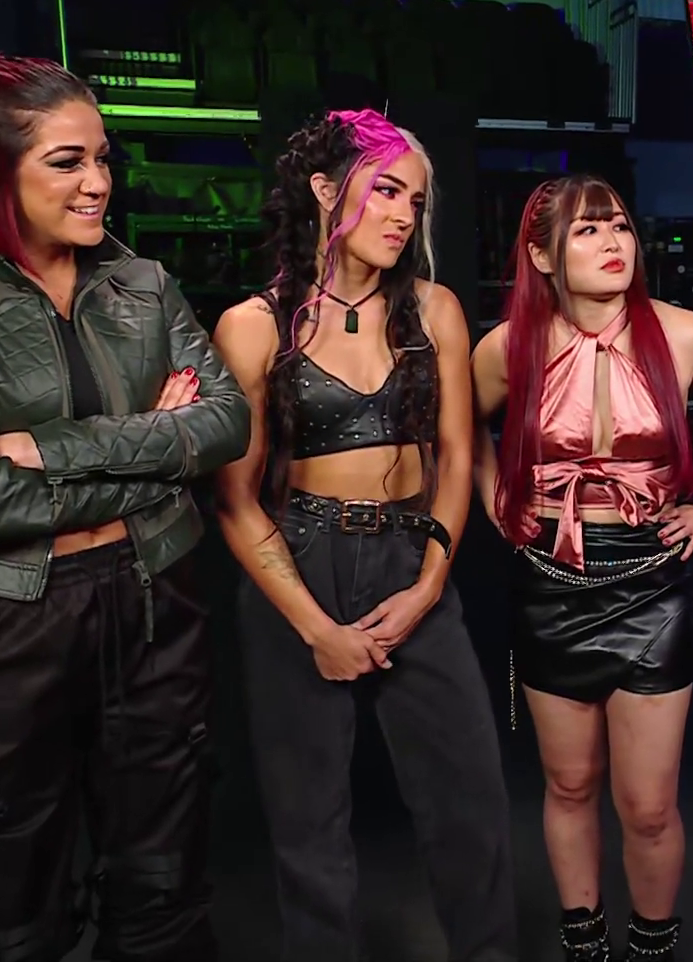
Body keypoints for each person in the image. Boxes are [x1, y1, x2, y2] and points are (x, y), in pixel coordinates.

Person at [0, 51, 250, 961]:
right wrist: (159, 450)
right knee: (2, 904)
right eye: (67, 161)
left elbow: (227, 423)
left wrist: (52, 447)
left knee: (164, 884)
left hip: (154, 597)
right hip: (0, 626)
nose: (99, 184)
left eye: (103, 158)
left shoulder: (143, 285)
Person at [211, 108, 515, 962]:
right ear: (323, 189)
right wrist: (316, 628)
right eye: (384, 190)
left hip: (410, 553)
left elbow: (457, 457)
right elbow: (235, 501)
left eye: (414, 200)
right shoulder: (254, 324)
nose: (402, 214)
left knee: (469, 799)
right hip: (299, 563)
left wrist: (427, 585)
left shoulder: (434, 309)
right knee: (307, 817)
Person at [471, 176, 693, 962]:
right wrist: (497, 501)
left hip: (651, 585)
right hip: (551, 580)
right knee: (569, 786)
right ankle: (585, 943)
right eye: (587, 231)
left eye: (621, 227)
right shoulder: (507, 346)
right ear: (541, 256)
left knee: (649, 806)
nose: (613, 244)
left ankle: (652, 946)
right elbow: (459, 429)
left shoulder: (688, 334)